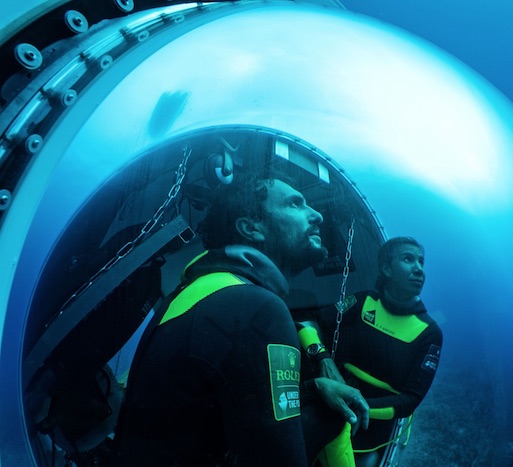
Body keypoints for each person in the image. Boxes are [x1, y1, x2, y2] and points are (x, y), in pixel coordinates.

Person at [112, 162, 369, 466]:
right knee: (333, 415)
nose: (318, 215)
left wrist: (313, 387)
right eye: (295, 203)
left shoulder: (195, 292)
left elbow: (212, 407)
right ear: (251, 228)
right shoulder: (258, 308)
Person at [296, 237, 443, 467]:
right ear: (386, 268)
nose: (419, 269)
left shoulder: (429, 332)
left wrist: (355, 405)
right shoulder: (363, 301)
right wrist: (321, 356)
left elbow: (411, 400)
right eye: (408, 259)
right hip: (332, 398)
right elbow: (309, 323)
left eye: (421, 262)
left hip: (372, 422)